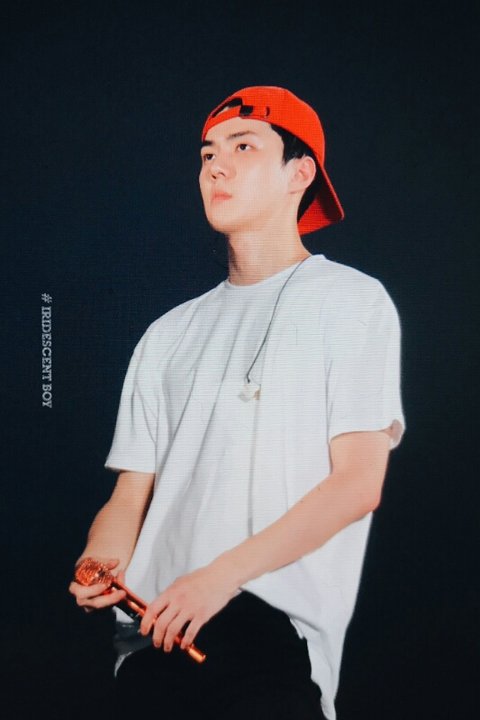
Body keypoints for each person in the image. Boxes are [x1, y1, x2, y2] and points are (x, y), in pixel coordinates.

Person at [69, 86, 405, 720]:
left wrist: (220, 577)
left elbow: (358, 485)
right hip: (151, 636)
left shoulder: (352, 301)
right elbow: (129, 498)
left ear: (299, 174)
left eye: (243, 147)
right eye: (207, 154)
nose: (215, 167)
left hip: (270, 633)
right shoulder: (167, 333)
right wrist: (100, 562)